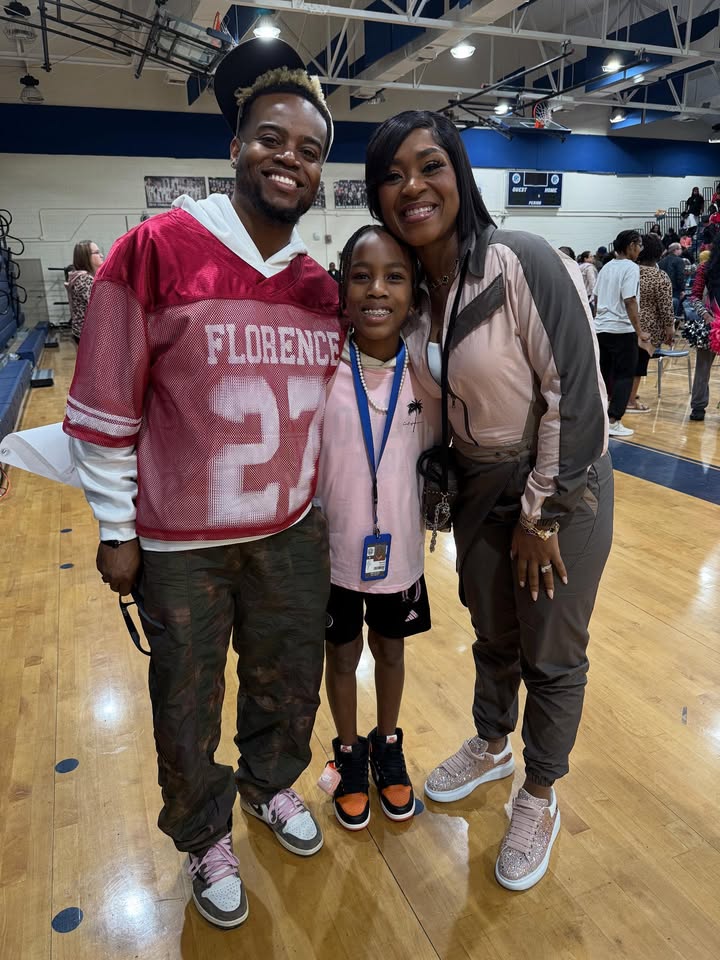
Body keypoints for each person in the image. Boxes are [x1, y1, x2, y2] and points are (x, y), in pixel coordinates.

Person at [63, 39, 344, 930]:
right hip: (183, 542)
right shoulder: (154, 250)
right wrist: (117, 528)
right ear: (235, 146)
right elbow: (107, 406)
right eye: (271, 139)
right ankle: (201, 834)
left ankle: (270, 784)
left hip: (290, 529)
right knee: (185, 701)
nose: (289, 159)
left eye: (308, 150)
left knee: (288, 681)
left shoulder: (319, 288)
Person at [365, 110, 613, 892]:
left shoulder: (521, 260)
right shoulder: (416, 293)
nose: (413, 186)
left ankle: (538, 793)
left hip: (557, 488)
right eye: (393, 174)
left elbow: (577, 393)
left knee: (551, 650)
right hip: (477, 488)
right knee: (493, 634)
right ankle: (491, 743)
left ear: (460, 174)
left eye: (429, 165)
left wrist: (543, 515)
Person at [316, 224, 438, 831]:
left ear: (414, 292)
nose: (377, 290)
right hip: (335, 553)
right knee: (342, 656)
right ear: (343, 290)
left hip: (401, 552)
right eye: (361, 277)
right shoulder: (322, 369)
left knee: (390, 649)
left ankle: (387, 744)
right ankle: (347, 751)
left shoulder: (428, 374)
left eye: (395, 277)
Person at [594, 229, 651, 437]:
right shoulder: (631, 267)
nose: (640, 249)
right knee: (624, 376)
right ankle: (614, 420)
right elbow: (630, 300)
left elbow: (596, 298)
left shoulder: (606, 267)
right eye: (639, 245)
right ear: (631, 245)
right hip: (621, 330)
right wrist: (640, 331)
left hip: (601, 328)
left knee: (602, 375)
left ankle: (598, 419)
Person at [626, 233, 675, 413]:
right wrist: (670, 330)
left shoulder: (628, 271)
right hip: (647, 328)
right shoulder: (660, 276)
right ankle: (631, 401)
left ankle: (622, 394)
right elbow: (666, 307)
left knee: (624, 364)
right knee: (639, 365)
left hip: (624, 324)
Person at [688, 239, 720, 421]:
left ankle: (698, 407)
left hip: (711, 322)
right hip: (710, 326)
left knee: (702, 367)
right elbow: (695, 296)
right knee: (703, 368)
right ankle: (698, 407)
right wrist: (707, 316)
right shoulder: (705, 268)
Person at [66, 240, 103, 343]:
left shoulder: (82, 277)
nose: (101, 255)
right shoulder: (84, 279)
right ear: (86, 257)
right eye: (97, 252)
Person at [659, 242, 686, 315]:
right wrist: (682, 290)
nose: (681, 250)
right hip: (675, 289)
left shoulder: (661, 261)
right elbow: (680, 276)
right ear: (675, 250)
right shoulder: (679, 261)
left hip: (663, 289)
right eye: (680, 248)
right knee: (675, 312)